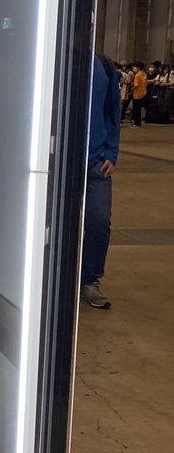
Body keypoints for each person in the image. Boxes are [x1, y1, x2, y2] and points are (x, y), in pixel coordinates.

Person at [81, 54, 121, 310]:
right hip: (57, 162)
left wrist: (112, 152)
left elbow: (113, 112)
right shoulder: (53, 58)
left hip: (96, 162)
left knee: (98, 223)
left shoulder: (104, 67)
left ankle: (89, 280)